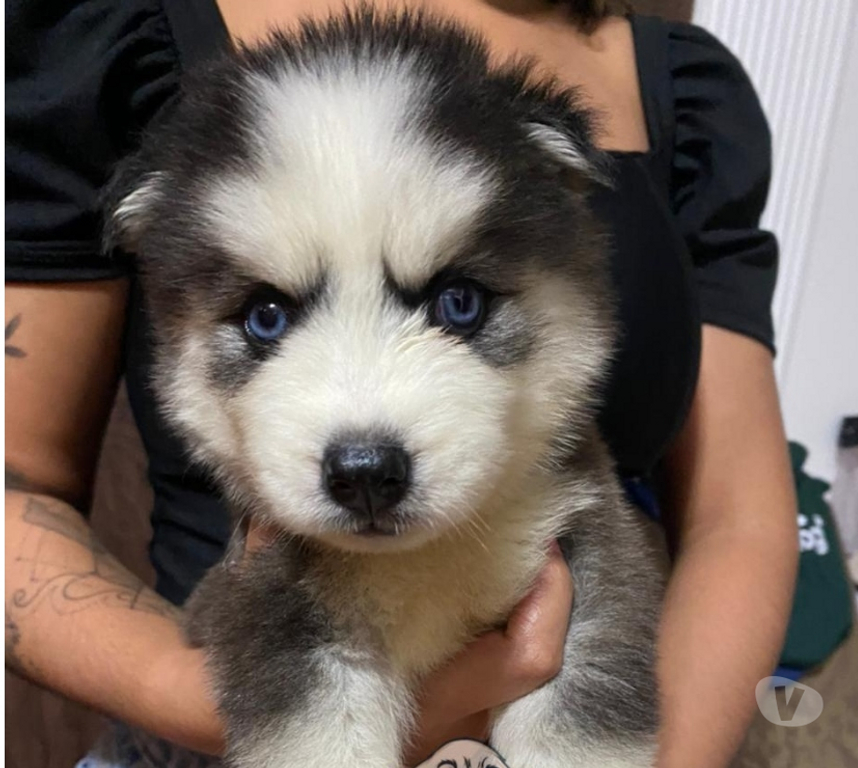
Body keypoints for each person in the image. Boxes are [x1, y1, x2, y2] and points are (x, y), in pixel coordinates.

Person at [5, 1, 798, 766]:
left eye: (459, 305)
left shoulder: (682, 94)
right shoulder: (111, 33)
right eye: (267, 317)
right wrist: (203, 701)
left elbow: (739, 522)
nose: (366, 433)